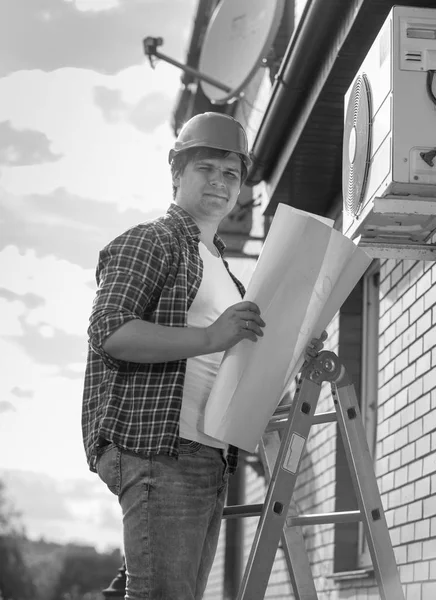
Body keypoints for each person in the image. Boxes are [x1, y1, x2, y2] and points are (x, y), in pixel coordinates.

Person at [82, 112, 325, 600]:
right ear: (176, 173)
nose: (219, 182)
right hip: (158, 448)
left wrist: (293, 354)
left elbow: (236, 370)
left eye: (230, 174)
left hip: (207, 454)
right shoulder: (152, 241)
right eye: (206, 169)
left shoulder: (224, 272)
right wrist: (213, 337)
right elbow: (109, 331)